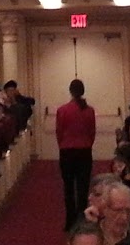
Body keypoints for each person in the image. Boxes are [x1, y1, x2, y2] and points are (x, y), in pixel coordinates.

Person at [57, 79, 98, 230]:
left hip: (67, 151)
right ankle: (82, 218)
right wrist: (87, 143)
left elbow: (59, 132)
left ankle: (70, 220)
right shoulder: (89, 110)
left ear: (70, 91)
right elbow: (92, 131)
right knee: (83, 186)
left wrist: (63, 145)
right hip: (84, 150)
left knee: (68, 187)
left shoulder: (62, 110)